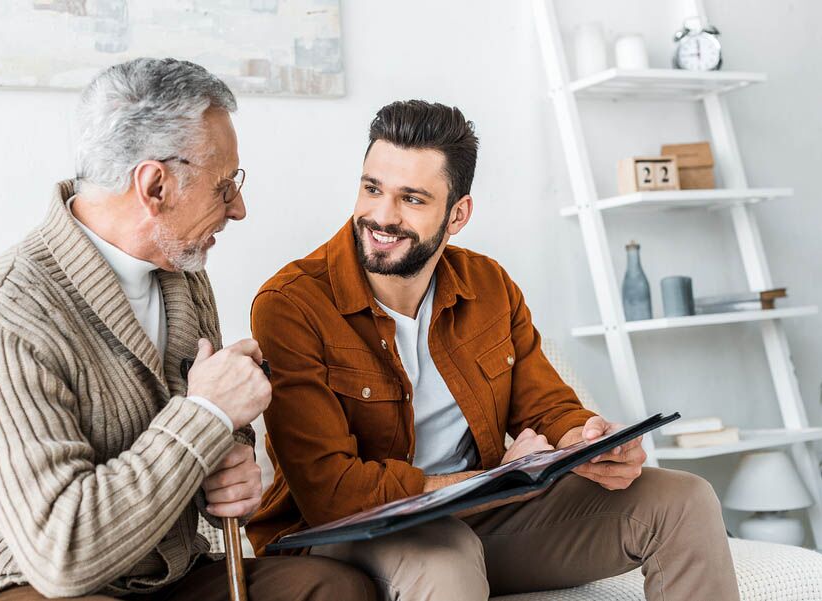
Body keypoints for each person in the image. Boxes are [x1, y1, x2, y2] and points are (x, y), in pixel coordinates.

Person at [246, 99, 739, 600]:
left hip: (479, 514)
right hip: (343, 534)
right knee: (447, 554)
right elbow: (331, 492)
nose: (381, 216)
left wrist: (589, 442)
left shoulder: (488, 286)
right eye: (372, 188)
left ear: (457, 214)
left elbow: (547, 406)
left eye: (412, 199)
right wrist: (493, 480)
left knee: (684, 499)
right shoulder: (291, 304)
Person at [0, 58, 375, 601]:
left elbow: (215, 427)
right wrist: (206, 417)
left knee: (334, 588)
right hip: (24, 582)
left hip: (161, 574)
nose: (240, 208)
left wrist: (231, 462)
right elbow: (63, 554)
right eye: (224, 186)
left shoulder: (182, 274)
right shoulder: (7, 319)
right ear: (155, 185)